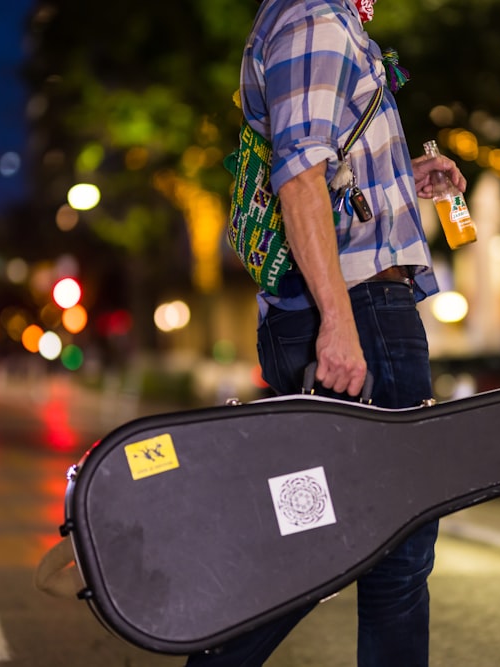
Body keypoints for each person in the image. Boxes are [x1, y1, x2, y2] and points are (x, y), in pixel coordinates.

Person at [188, 0, 468, 665]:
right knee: (391, 552)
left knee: (317, 540)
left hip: (348, 308)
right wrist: (339, 326)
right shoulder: (315, 19)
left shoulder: (328, 21)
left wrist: (406, 177)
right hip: (356, 311)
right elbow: (299, 176)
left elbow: (322, 166)